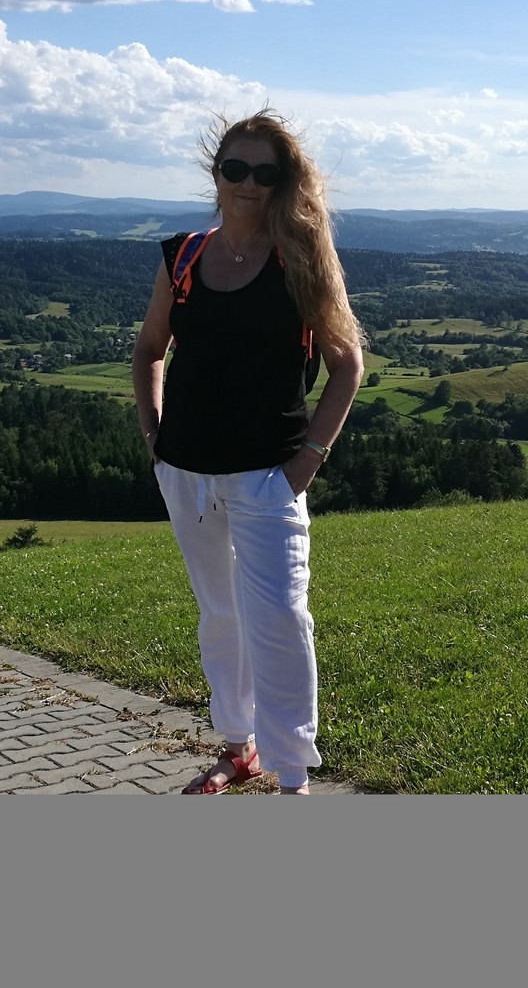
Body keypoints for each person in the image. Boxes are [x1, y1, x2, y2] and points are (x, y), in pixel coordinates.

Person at [131, 108, 365, 795]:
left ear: (283, 181)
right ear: (216, 173)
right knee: (221, 615)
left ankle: (292, 774)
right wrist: (154, 437)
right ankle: (239, 747)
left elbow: (347, 364)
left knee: (283, 618)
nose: (249, 183)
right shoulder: (183, 257)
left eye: (266, 173)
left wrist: (307, 460)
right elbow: (149, 350)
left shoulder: (301, 259)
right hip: (185, 472)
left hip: (269, 475)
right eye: (236, 168)